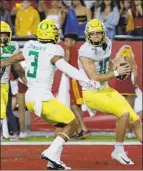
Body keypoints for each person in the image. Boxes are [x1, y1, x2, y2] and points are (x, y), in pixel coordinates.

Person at [0, 19, 97, 170]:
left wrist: (3, 63)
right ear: (52, 34)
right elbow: (64, 66)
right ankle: (51, 152)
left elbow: (18, 57)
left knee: (62, 124)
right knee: (72, 124)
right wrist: (86, 78)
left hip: (30, 98)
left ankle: (53, 160)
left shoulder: (30, 45)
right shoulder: (54, 49)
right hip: (43, 98)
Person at [78, 19, 142, 165]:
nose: (95, 36)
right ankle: (118, 150)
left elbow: (106, 62)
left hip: (105, 89)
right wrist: (116, 72)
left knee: (136, 120)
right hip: (92, 92)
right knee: (124, 113)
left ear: (103, 34)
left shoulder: (107, 42)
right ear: (87, 35)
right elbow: (94, 76)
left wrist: (114, 66)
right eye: (92, 34)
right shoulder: (85, 51)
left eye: (98, 33)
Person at [0, 21, 26, 129]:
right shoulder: (12, 46)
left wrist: (25, 80)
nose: (3, 37)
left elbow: (17, 67)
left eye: (4, 34)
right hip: (3, 84)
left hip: (4, 83)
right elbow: (17, 68)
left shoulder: (13, 45)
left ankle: (5, 133)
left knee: (3, 111)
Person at [63, 33, 90, 139]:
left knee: (73, 106)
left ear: (73, 42)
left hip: (74, 80)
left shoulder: (69, 50)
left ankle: (84, 129)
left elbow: (65, 64)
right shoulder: (79, 51)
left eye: (66, 41)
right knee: (76, 106)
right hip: (79, 79)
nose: (65, 43)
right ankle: (79, 130)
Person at [112, 45, 138, 138]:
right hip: (128, 88)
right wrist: (135, 85)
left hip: (118, 89)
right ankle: (130, 131)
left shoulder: (115, 61)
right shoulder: (131, 61)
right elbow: (135, 75)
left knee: (120, 112)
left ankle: (120, 131)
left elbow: (111, 73)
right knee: (130, 111)